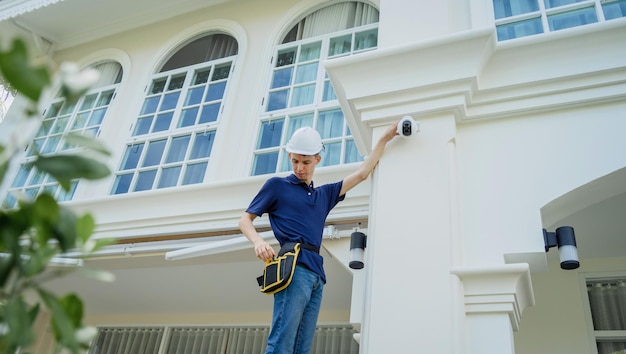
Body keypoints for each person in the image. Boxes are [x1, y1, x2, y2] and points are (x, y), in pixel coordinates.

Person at [238, 121, 399, 354]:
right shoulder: (277, 186)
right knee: (282, 343)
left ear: (317, 160)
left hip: (316, 275)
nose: (299, 167)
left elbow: (363, 173)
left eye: (306, 162)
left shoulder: (324, 195)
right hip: (293, 269)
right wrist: (258, 242)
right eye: (294, 161)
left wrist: (384, 138)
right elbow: (244, 220)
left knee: (302, 349)